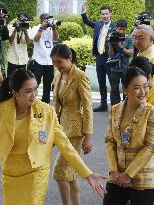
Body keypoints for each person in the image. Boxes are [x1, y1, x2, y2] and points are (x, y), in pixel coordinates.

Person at [0, 69, 106, 204]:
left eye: (35, 89)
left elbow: (65, 146)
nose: (34, 95)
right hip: (10, 173)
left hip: (36, 172)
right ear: (15, 93)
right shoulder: (0, 110)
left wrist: (87, 174)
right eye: (28, 91)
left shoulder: (47, 111)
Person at [103, 67, 154, 205]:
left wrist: (128, 175)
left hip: (144, 180)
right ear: (125, 89)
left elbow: (149, 147)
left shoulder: (152, 112)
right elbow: (109, 141)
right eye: (136, 87)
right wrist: (113, 171)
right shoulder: (115, 110)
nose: (143, 92)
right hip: (117, 177)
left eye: (145, 87)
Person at [51, 44, 93, 205]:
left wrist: (88, 137)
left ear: (70, 59)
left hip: (76, 131)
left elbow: (88, 107)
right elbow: (56, 103)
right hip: (60, 129)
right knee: (70, 173)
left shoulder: (80, 76)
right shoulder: (58, 75)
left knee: (60, 171)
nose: (57, 65)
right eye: (54, 62)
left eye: (60, 62)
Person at [129, 56, 154, 205]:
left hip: (153, 155)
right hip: (136, 153)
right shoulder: (141, 92)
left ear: (149, 77)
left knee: (152, 198)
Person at [81, 3, 116, 112]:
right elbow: (86, 21)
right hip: (99, 57)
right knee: (101, 83)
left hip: (110, 58)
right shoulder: (98, 25)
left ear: (110, 14)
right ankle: (103, 104)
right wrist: (83, 12)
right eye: (102, 14)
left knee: (112, 83)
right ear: (100, 15)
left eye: (106, 14)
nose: (104, 16)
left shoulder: (115, 27)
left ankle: (115, 106)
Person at [28, 13, 59, 104]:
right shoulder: (36, 28)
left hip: (49, 62)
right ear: (42, 20)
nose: (48, 22)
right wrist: (41, 28)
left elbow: (56, 39)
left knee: (47, 84)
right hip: (38, 61)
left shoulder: (51, 29)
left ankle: (45, 103)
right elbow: (35, 39)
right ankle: (32, 101)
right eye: (47, 20)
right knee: (34, 83)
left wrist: (53, 28)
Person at [107, 19, 134, 105]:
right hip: (114, 67)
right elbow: (111, 55)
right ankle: (115, 108)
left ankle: (126, 107)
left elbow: (131, 53)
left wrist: (122, 48)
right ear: (116, 28)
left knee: (126, 88)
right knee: (114, 89)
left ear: (126, 29)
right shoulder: (112, 37)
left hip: (125, 67)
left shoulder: (128, 39)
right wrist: (110, 45)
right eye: (119, 29)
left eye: (123, 29)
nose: (121, 31)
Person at [7, 11, 31, 76]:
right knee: (10, 78)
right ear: (18, 19)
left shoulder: (28, 28)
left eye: (24, 20)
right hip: (12, 58)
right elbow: (10, 41)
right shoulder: (10, 27)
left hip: (23, 59)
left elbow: (28, 42)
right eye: (21, 19)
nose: (23, 22)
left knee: (22, 79)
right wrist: (15, 30)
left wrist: (25, 31)